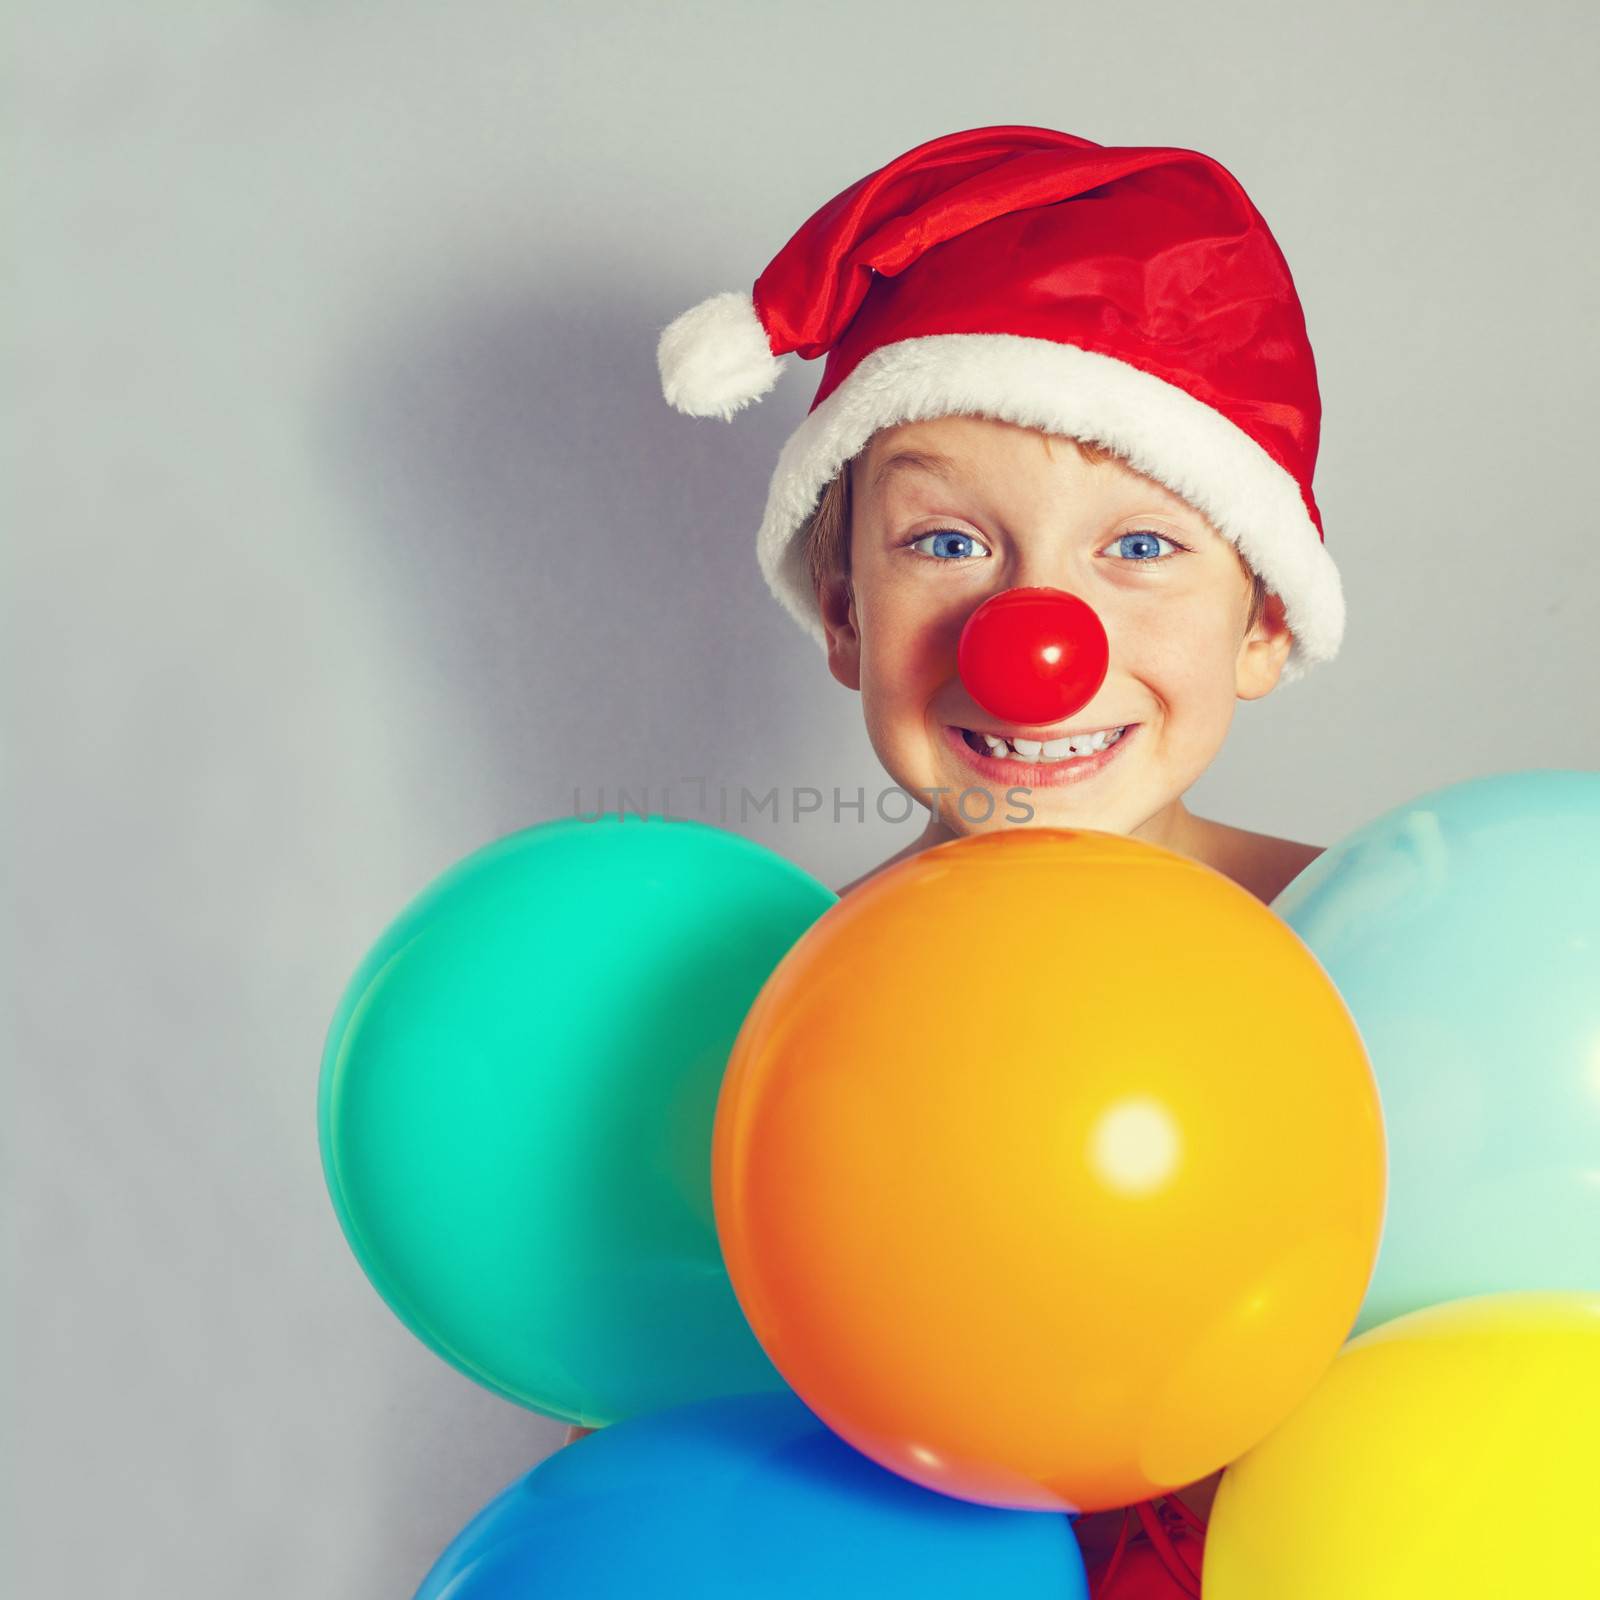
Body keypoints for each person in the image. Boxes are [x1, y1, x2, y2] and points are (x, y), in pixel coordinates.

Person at [577, 123, 1347, 1595]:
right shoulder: (763, 1046)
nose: (1036, 648)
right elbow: (659, 1483)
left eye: (1141, 548)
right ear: (843, 613)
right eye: (945, 545)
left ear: (1262, 623)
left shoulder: (1386, 959)